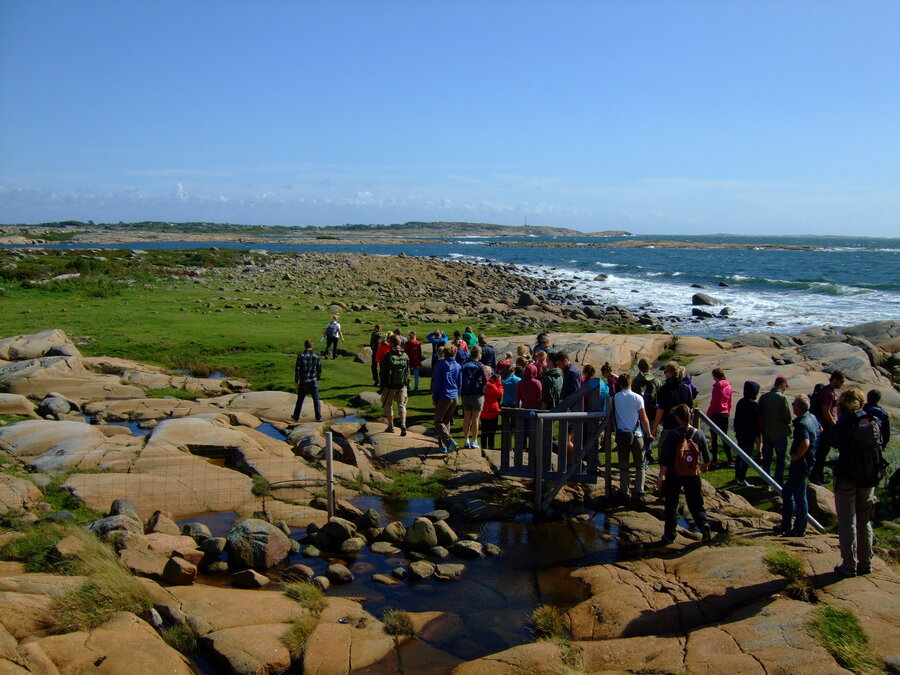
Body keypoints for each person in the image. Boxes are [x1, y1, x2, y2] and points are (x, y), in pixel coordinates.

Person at [832, 387, 878, 576]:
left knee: (847, 520)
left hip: (847, 476)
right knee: (864, 520)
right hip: (868, 476)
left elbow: (834, 441)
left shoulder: (845, 421)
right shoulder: (869, 419)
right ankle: (866, 563)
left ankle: (849, 564)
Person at [657, 404, 712, 544]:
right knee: (695, 503)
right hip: (693, 473)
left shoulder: (672, 434)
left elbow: (665, 459)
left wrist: (660, 477)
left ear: (677, 418)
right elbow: (707, 457)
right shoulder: (698, 434)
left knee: (671, 505)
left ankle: (670, 535)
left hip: (674, 474)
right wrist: (704, 467)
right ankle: (704, 524)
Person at [778, 394, 820, 537]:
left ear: (798, 407)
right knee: (787, 492)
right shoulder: (812, 418)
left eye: (794, 404)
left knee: (800, 497)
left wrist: (797, 455)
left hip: (801, 463)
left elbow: (806, 443)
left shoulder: (802, 423)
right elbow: (820, 430)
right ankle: (786, 524)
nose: (792, 406)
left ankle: (799, 529)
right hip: (807, 462)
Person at [613, 373, 651, 504]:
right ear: (631, 383)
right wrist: (649, 433)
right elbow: (644, 417)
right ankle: (640, 492)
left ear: (620, 384)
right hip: (636, 434)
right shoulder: (638, 398)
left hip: (622, 434)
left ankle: (625, 492)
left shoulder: (615, 397)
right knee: (640, 466)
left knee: (624, 466)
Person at [810, 370, 845, 484]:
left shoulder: (828, 391)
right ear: (834, 379)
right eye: (841, 381)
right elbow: (826, 411)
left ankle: (819, 476)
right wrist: (834, 425)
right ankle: (815, 476)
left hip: (824, 425)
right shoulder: (828, 393)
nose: (842, 384)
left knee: (822, 453)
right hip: (825, 426)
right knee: (821, 452)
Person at [759, 375, 792, 486]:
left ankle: (766, 483)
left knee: (767, 459)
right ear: (781, 385)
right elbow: (787, 417)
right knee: (780, 460)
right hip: (780, 433)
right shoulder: (782, 398)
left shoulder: (764, 397)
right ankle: (778, 483)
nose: (787, 387)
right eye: (786, 385)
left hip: (766, 432)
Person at [653, 361, 694, 445]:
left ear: (669, 373)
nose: (664, 374)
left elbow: (660, 411)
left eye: (665, 372)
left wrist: (655, 428)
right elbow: (691, 409)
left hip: (669, 427)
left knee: (665, 454)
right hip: (684, 428)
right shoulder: (686, 389)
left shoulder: (663, 390)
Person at [431, 345, 461, 453]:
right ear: (454, 354)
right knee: (446, 421)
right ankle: (443, 446)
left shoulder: (440, 365)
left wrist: (435, 397)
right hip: (454, 396)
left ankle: (449, 442)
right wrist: (458, 394)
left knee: (438, 421)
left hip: (444, 396)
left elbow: (437, 383)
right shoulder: (458, 366)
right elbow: (459, 383)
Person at [733, 381, 762, 487]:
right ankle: (741, 479)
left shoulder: (741, 402)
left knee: (740, 455)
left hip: (740, 432)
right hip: (749, 434)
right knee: (746, 457)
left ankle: (737, 476)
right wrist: (757, 434)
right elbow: (756, 421)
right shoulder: (753, 404)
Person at [379, 334, 410, 435]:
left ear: (391, 343)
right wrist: (407, 383)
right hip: (402, 385)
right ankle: (403, 423)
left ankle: (391, 425)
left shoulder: (388, 356)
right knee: (402, 405)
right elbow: (408, 371)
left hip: (389, 385)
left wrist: (382, 386)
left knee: (388, 405)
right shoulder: (405, 356)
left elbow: (382, 372)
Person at [460, 345, 489, 448]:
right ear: (479, 354)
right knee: (476, 419)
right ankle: (474, 441)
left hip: (466, 394)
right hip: (477, 394)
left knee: (467, 417)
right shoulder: (481, 366)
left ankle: (466, 440)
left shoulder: (464, 365)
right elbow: (486, 380)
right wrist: (481, 387)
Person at [633, 358, 658, 463]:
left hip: (639, 411)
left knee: (641, 433)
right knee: (650, 433)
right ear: (650, 367)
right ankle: (649, 453)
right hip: (652, 411)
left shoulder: (635, 381)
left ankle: (642, 454)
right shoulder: (655, 381)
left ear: (639, 367)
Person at [706, 368, 734, 466]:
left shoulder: (717, 386)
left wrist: (708, 414)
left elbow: (714, 402)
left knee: (714, 438)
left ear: (715, 376)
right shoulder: (729, 386)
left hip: (716, 414)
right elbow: (730, 402)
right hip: (725, 413)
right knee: (724, 437)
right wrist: (728, 412)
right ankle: (730, 459)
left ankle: (714, 460)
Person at [292, 339, 323, 423]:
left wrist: (296, 381)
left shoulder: (301, 356)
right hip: (313, 380)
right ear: (312, 346)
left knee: (300, 399)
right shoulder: (316, 356)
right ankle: (319, 417)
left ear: (304, 346)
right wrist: (318, 378)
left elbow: (297, 369)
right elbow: (319, 369)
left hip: (304, 381)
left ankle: (296, 416)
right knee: (316, 399)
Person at [480, 367, 504, 450]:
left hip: (483, 410)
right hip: (492, 410)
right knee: (491, 433)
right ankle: (491, 449)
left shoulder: (481, 384)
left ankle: (483, 449)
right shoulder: (492, 386)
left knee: (484, 432)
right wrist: (498, 382)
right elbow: (500, 394)